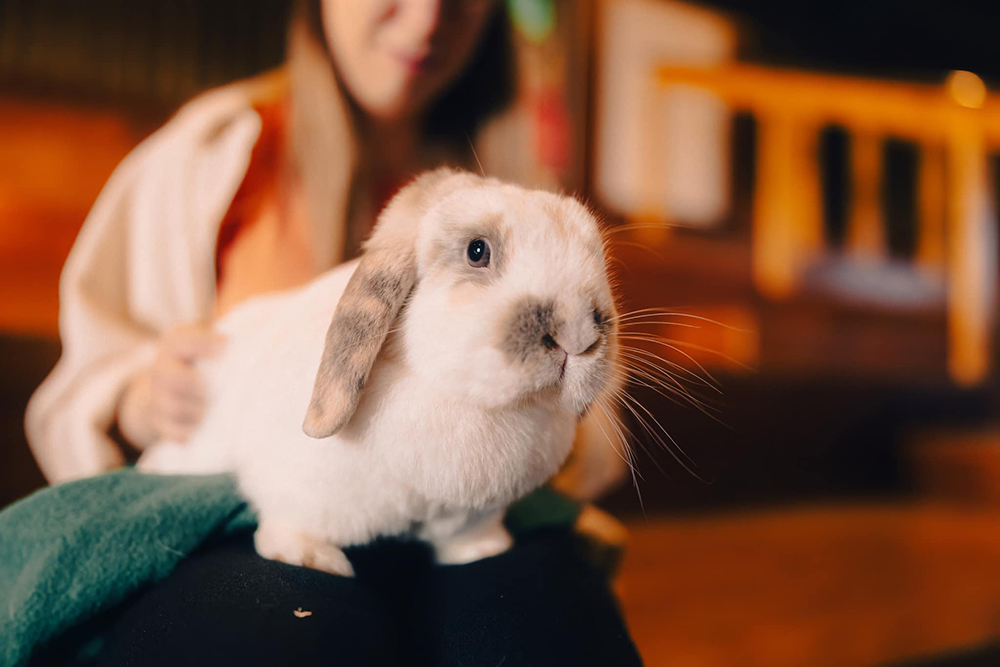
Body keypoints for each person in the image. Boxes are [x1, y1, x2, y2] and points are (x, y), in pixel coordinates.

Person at [25, 0, 640, 664]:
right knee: (283, 623)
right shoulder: (216, 148)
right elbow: (94, 377)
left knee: (536, 623)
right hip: (252, 508)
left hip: (462, 510)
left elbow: (597, 411)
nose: (428, 19)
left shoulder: (517, 166)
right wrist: (144, 395)